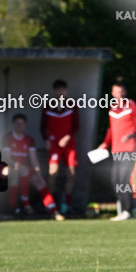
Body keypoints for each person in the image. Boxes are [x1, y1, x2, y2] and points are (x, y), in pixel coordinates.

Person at [95, 79, 136, 221]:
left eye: (121, 91)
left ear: (125, 92)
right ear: (112, 93)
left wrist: (131, 134)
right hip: (116, 149)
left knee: (123, 179)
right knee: (115, 180)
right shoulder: (112, 108)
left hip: (129, 148)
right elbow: (111, 129)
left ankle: (128, 211)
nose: (119, 94)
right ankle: (122, 210)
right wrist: (105, 143)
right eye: (116, 92)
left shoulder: (131, 105)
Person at [4, 114, 63, 220]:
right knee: (19, 173)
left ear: (25, 125)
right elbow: (6, 158)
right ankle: (21, 205)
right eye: (17, 123)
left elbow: (34, 159)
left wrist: (37, 171)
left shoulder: (29, 139)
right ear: (13, 124)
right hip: (12, 167)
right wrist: (15, 165)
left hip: (25, 168)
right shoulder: (8, 138)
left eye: (22, 123)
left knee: (40, 181)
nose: (19, 125)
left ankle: (54, 211)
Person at [41, 79, 79, 215]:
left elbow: (76, 125)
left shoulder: (71, 105)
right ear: (54, 91)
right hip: (54, 145)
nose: (61, 92)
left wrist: (68, 137)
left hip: (69, 145)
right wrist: (46, 139)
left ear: (66, 91)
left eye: (63, 90)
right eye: (58, 90)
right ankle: (51, 205)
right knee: (53, 174)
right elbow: (42, 127)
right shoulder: (48, 106)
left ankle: (66, 204)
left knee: (71, 174)